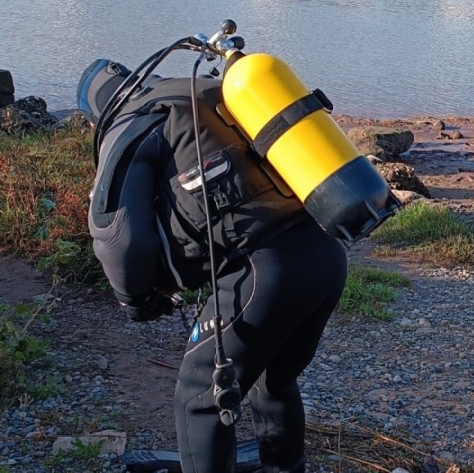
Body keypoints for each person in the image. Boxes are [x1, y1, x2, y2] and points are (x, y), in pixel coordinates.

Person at [78, 59, 348, 473]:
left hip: (264, 272)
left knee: (199, 395)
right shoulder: (199, 98)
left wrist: (136, 299)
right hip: (325, 252)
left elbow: (117, 235)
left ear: (100, 109)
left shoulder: (129, 124)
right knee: (273, 381)